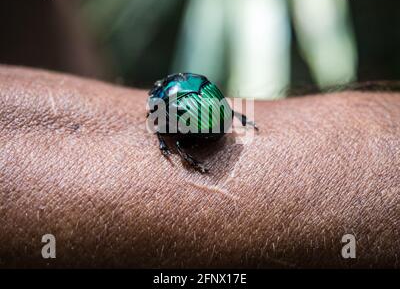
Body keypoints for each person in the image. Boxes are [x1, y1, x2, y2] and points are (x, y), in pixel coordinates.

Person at [0, 65, 399, 268]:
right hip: (215, 122)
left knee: (171, 135)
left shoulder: (161, 104)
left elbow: (162, 131)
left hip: (207, 130)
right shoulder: (188, 85)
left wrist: (176, 148)